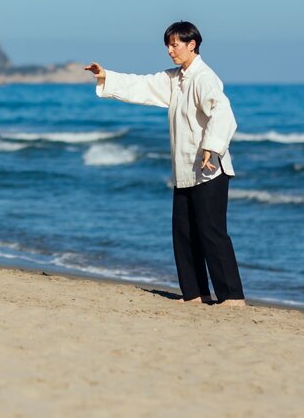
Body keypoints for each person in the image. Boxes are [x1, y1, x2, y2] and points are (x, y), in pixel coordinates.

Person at [86, 21, 246, 306]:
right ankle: (195, 294)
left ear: (192, 44)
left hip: (210, 170)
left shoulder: (204, 77)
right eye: (168, 45)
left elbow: (223, 112)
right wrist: (106, 76)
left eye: (175, 44)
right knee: (183, 234)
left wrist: (212, 146)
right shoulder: (175, 78)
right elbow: (142, 85)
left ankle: (232, 297)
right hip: (185, 169)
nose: (170, 50)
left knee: (212, 233)